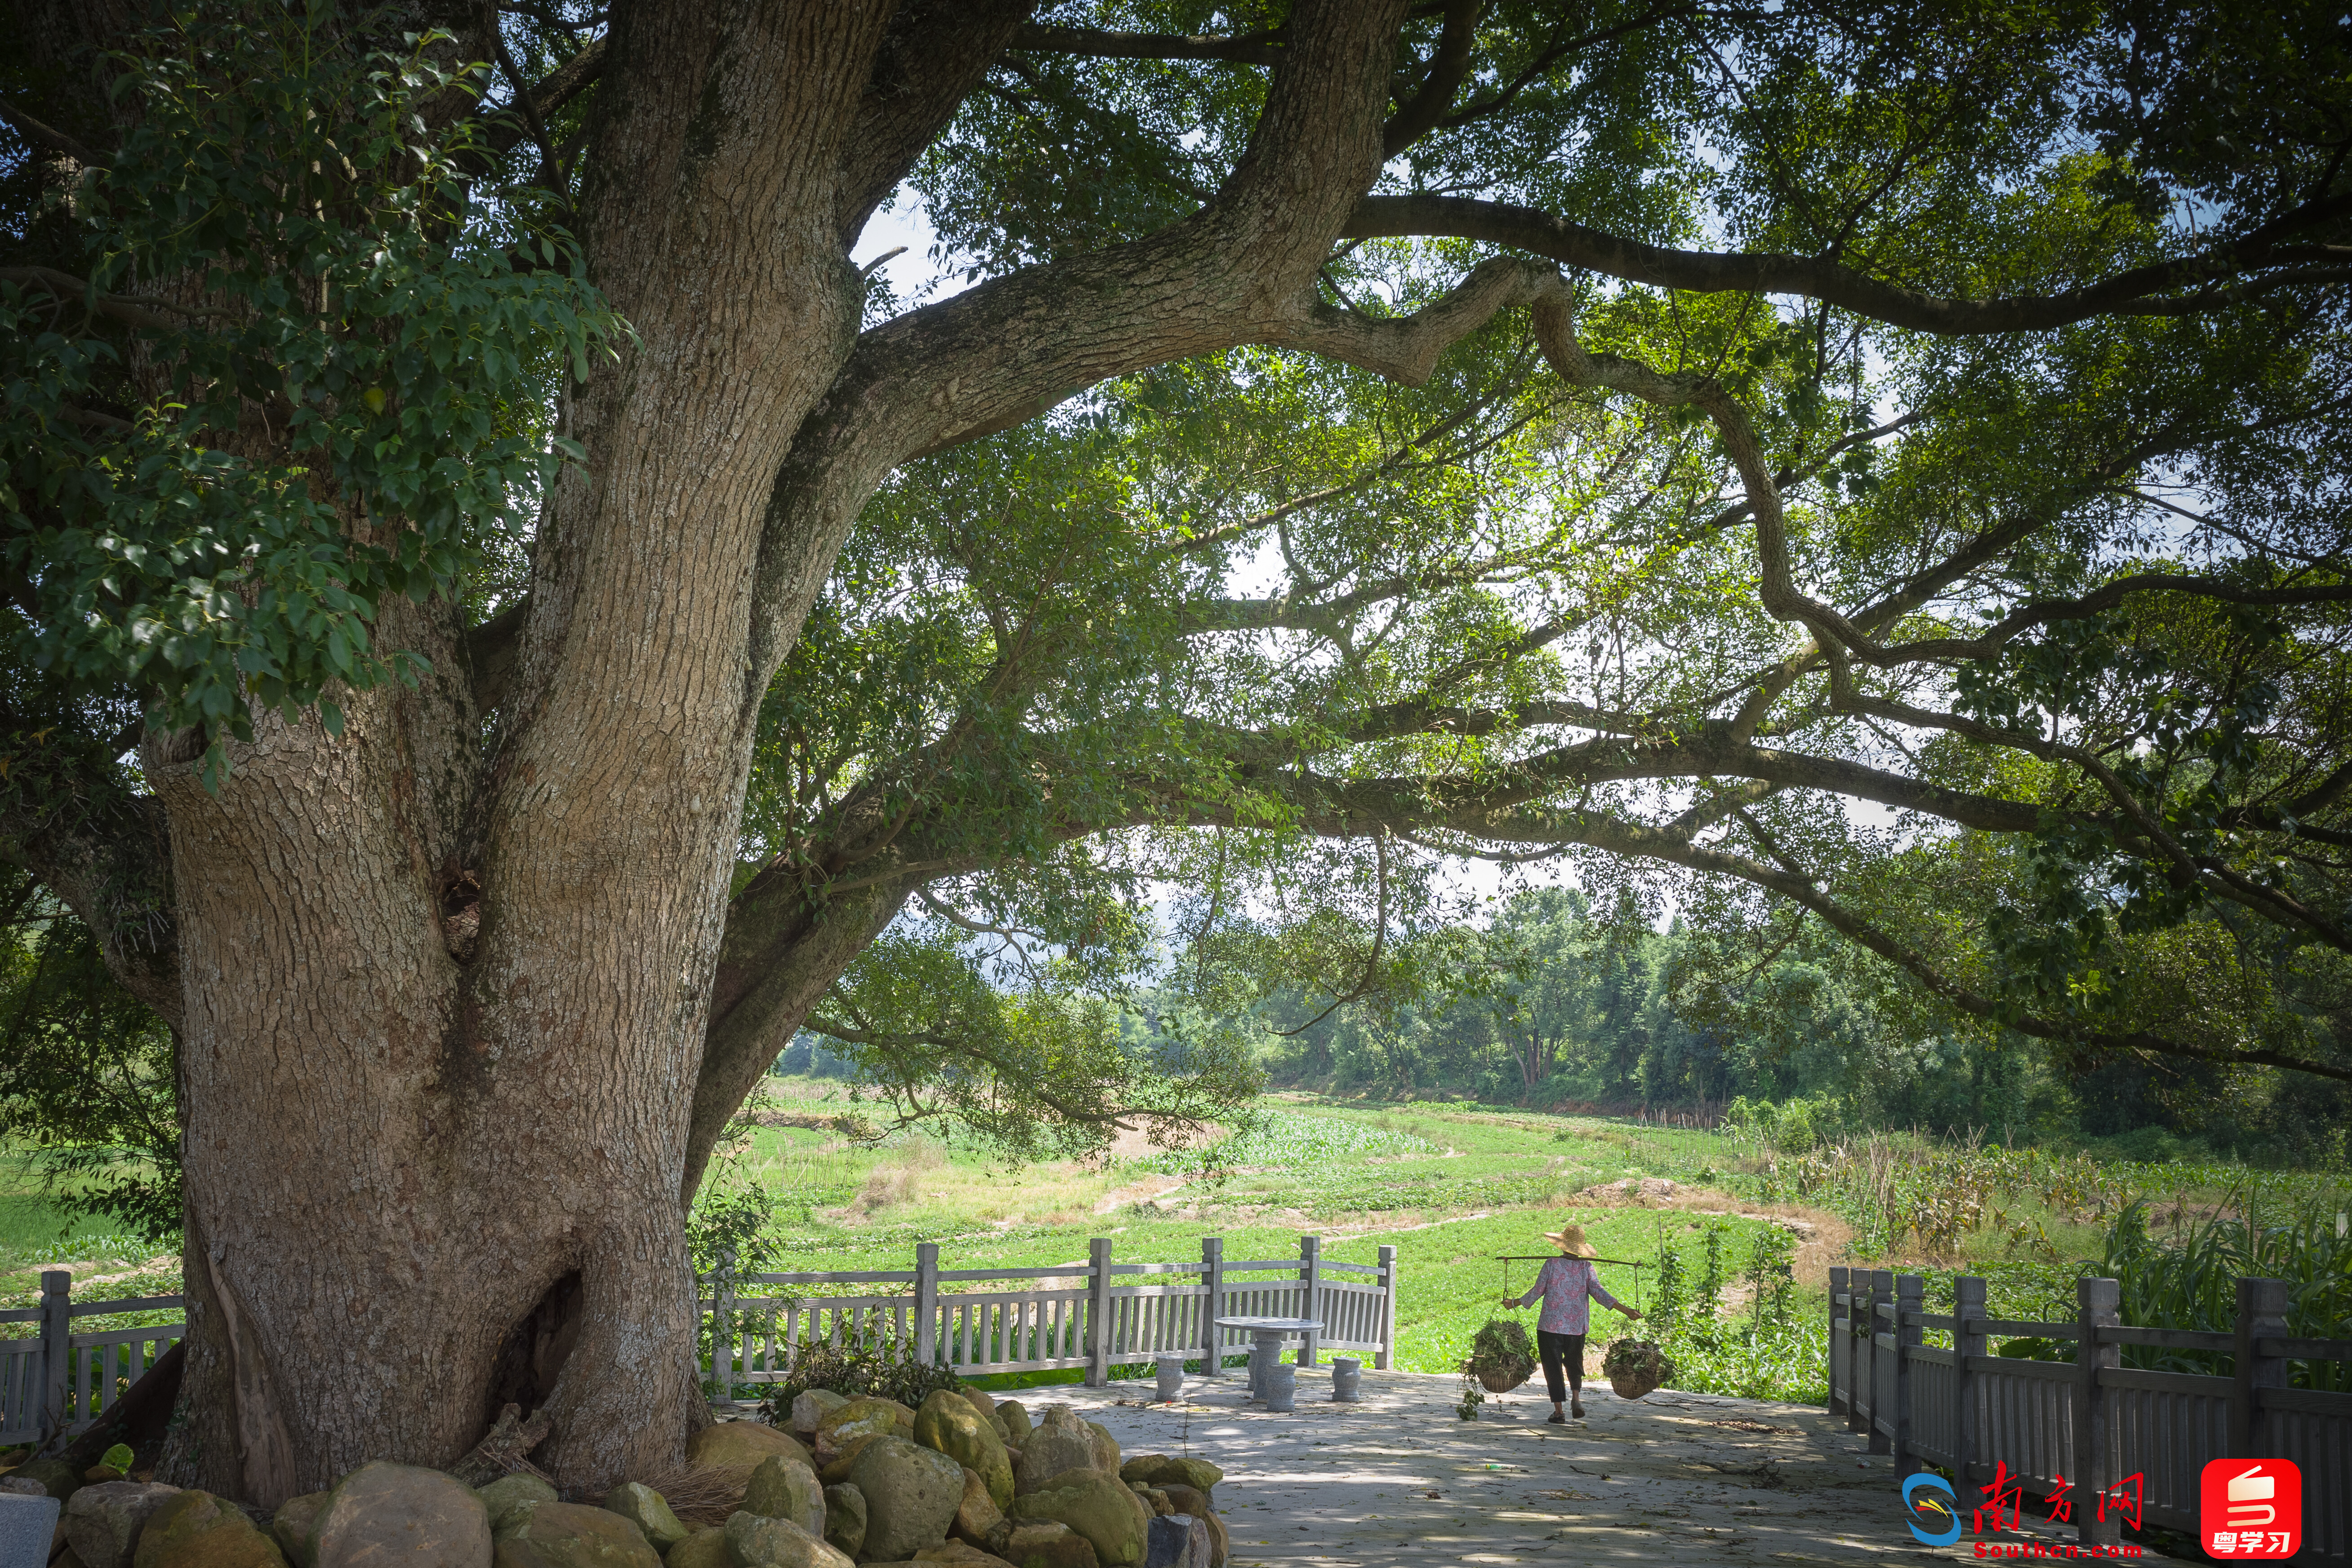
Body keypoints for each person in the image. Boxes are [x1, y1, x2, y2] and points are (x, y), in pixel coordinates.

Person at [1502, 1222, 1641, 1421]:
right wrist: (1626, 1310)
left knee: (1553, 1368)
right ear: (1580, 1249)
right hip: (1577, 1328)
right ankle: (1576, 1398)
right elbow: (1600, 1294)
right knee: (1574, 1364)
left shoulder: (1552, 1264)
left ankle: (1559, 1412)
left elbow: (1536, 1292)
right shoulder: (1587, 1268)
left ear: (1562, 1245)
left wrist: (1514, 1303)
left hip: (1550, 1327)